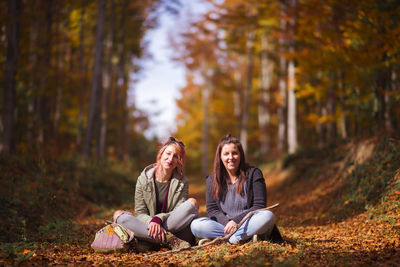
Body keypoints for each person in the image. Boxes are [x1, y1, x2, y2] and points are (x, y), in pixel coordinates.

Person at [190, 134, 281, 244]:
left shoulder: (254, 174)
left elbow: (259, 206)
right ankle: (243, 237)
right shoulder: (211, 179)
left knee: (267, 216)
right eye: (226, 154)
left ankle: (228, 240)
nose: (230, 157)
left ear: (241, 155)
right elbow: (212, 210)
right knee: (196, 225)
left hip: (249, 222)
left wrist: (236, 221)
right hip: (224, 226)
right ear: (220, 157)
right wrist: (228, 223)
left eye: (234, 153)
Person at [113, 137, 199, 250]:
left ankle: (149, 241)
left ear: (179, 161)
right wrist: (152, 222)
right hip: (148, 225)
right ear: (161, 154)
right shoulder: (143, 179)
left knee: (193, 202)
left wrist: (158, 219)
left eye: (175, 156)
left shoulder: (182, 182)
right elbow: (140, 213)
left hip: (172, 225)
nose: (170, 159)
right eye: (168, 153)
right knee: (118, 215)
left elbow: (177, 212)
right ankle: (169, 240)